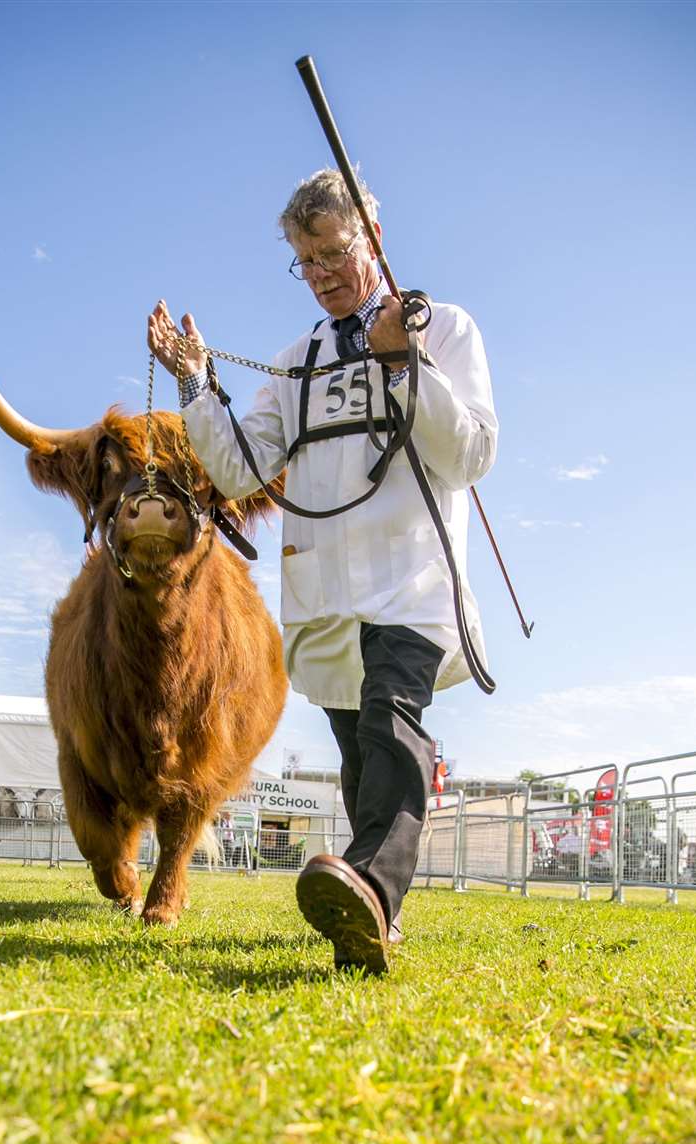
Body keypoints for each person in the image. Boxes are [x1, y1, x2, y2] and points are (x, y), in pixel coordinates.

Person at [148, 169, 497, 972]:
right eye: (307, 261)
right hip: (326, 590)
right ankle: (372, 915)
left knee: (391, 723)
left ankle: (370, 888)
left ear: (372, 239)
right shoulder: (292, 361)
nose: (325, 274)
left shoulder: (442, 329)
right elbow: (238, 469)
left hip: (413, 579)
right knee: (360, 754)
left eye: (337, 253)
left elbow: (473, 451)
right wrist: (197, 382)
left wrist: (407, 366)